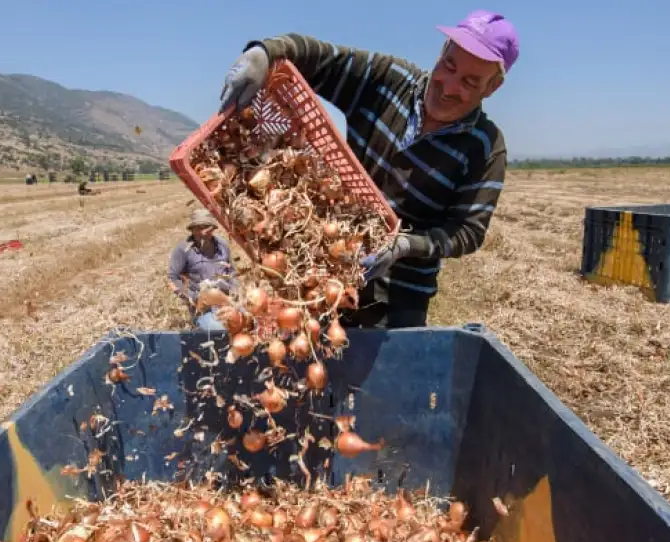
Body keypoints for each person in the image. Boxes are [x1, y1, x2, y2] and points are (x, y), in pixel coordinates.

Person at [219, 10, 517, 328]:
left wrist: (405, 245)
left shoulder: (485, 145)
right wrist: (264, 53)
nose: (449, 86)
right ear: (442, 51)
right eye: (449, 65)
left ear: (493, 87)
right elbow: (326, 58)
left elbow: (468, 232)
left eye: (470, 82)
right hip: (331, 265)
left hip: (404, 294)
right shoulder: (390, 80)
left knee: (387, 375)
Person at [167, 209, 238, 331]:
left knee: (251, 320)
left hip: (228, 302)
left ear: (213, 228)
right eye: (198, 228)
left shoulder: (222, 245)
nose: (203, 232)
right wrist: (192, 297)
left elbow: (232, 271)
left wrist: (236, 291)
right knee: (220, 329)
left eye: (206, 227)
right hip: (204, 309)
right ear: (192, 229)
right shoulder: (183, 250)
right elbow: (173, 278)